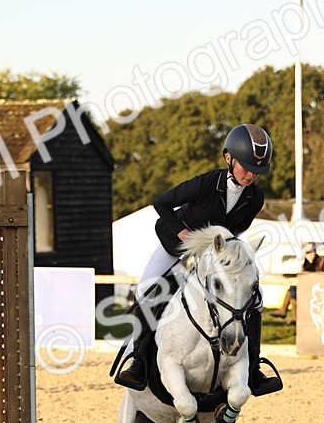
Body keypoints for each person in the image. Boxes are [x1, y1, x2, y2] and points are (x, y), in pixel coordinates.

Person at [114, 123, 282, 395]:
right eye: (246, 166)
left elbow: (236, 231)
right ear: (229, 158)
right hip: (179, 247)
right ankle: (138, 361)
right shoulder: (207, 183)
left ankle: (253, 368)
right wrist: (184, 235)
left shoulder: (255, 198)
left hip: (215, 257)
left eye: (257, 170)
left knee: (257, 297)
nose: (251, 174)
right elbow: (162, 203)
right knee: (148, 288)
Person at [273, 243, 324, 321]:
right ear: (305, 254)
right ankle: (290, 314)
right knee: (292, 288)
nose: (311, 255)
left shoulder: (322, 262)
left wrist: (320, 279)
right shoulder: (306, 264)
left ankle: (288, 312)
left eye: (312, 252)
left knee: (293, 289)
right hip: (309, 287)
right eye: (308, 253)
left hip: (320, 289)